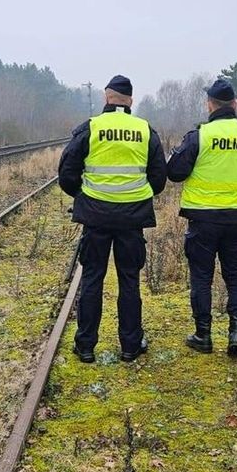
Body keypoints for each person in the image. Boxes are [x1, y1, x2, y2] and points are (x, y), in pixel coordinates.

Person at [58, 75, 168, 363]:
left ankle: (85, 346)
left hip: (95, 217)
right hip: (132, 219)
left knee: (92, 278)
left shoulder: (90, 128)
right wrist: (137, 195)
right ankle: (130, 346)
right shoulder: (145, 131)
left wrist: (83, 194)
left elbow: (67, 171)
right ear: (130, 100)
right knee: (129, 281)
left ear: (107, 97)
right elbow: (158, 178)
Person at [167, 79, 237, 358]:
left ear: (210, 105)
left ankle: (203, 336)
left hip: (203, 220)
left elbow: (175, 173)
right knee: (236, 274)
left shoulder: (199, 136)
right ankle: (236, 334)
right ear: (235, 104)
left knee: (202, 277)